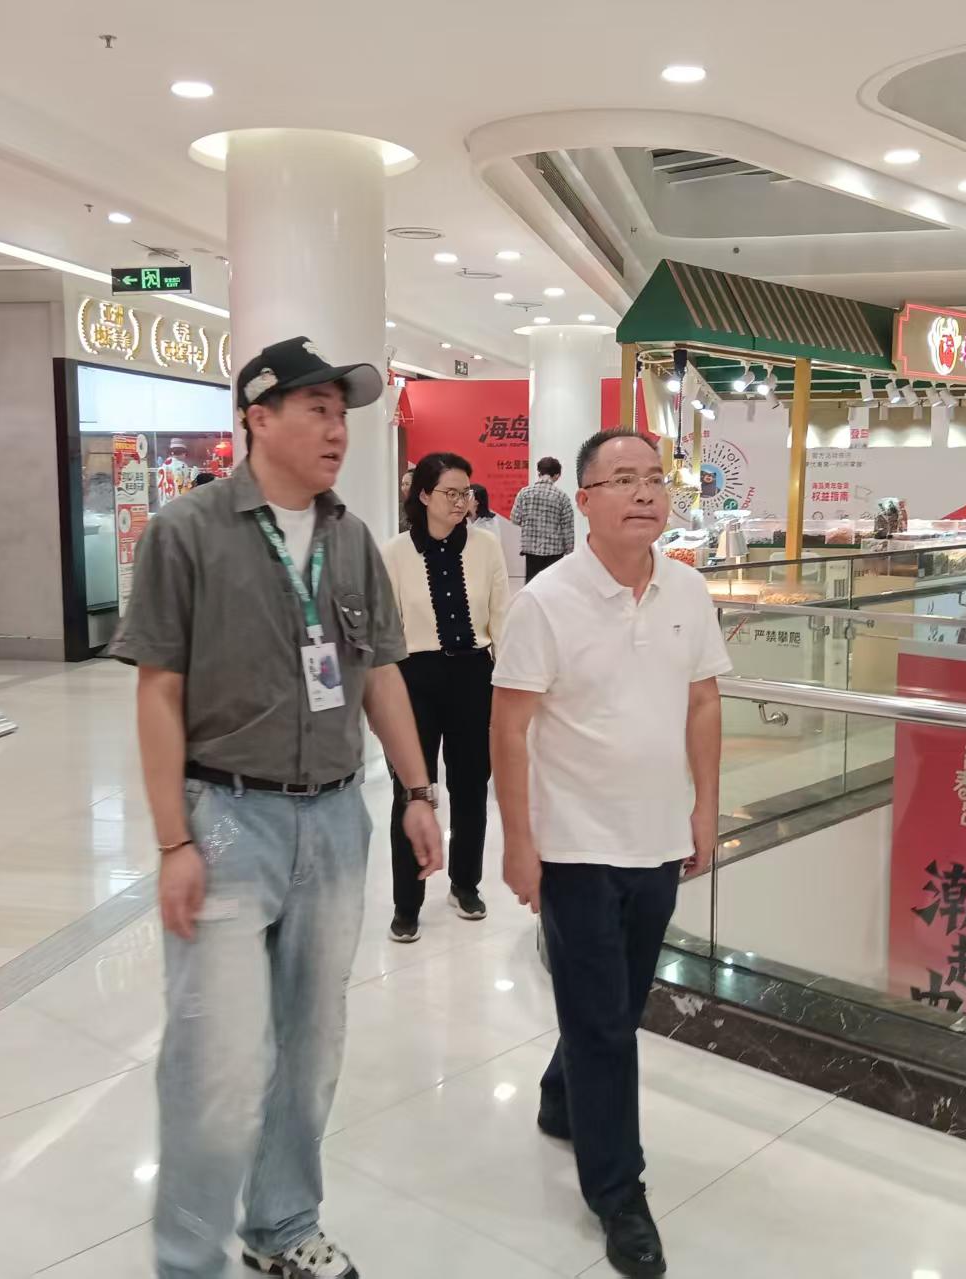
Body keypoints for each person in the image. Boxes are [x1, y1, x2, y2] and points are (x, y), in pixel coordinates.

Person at [110, 335, 445, 1279]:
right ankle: (188, 1258)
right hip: (226, 816)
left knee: (311, 1043)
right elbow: (158, 690)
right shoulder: (187, 531)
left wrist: (418, 790)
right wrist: (173, 839)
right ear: (258, 417)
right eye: (317, 410)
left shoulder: (351, 538)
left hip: (335, 819)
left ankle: (283, 1222)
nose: (338, 430)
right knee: (215, 1059)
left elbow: (381, 671)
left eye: (343, 413)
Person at [492, 430, 729, 1278]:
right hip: (575, 843)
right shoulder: (546, 602)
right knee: (603, 1021)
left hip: (658, 835)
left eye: (654, 478)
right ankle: (619, 1193)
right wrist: (519, 842)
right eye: (623, 479)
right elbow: (508, 728)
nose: (644, 492)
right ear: (583, 500)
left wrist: (706, 808)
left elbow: (703, 703)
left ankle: (563, 1095)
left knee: (619, 1003)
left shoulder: (688, 589)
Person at [380, 453, 511, 942]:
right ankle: (406, 902)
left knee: (472, 784)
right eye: (451, 493)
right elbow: (387, 630)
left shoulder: (486, 547)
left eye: (466, 493)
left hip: (473, 675)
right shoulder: (394, 553)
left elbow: (502, 617)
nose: (461, 502)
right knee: (411, 791)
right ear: (424, 495)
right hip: (413, 678)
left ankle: (465, 883)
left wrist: (509, 683)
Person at [511, 455, 575, 581]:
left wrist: (530, 525)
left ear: (539, 473)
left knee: (532, 585)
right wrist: (569, 552)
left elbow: (515, 518)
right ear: (556, 475)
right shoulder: (562, 497)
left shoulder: (524, 493)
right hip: (555, 552)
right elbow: (567, 528)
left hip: (530, 550)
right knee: (551, 585)